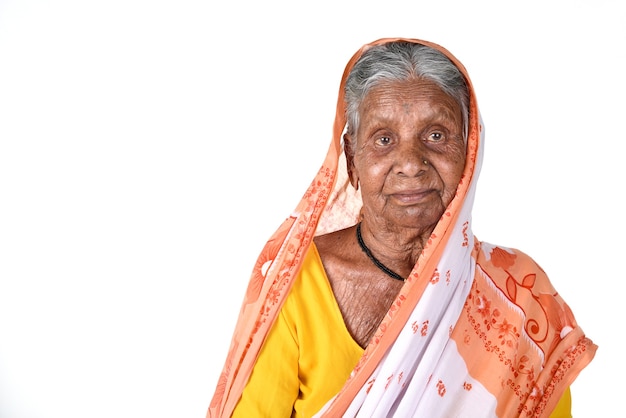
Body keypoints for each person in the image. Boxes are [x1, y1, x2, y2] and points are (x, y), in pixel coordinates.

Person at [206, 38, 597, 417]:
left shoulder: (520, 294)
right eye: (384, 139)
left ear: (470, 151)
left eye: (436, 135)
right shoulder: (297, 283)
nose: (410, 162)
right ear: (352, 161)